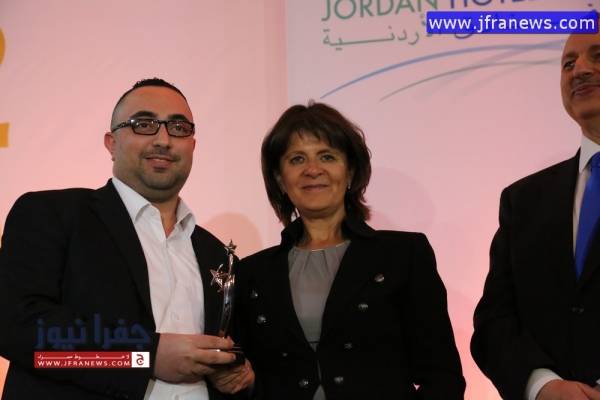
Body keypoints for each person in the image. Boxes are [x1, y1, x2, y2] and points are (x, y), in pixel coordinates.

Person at [0, 78, 253, 399]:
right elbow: (17, 329)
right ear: (111, 143)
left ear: (193, 145)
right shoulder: (52, 214)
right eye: (144, 124)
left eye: (178, 128)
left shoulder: (218, 255)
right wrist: (144, 356)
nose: (163, 139)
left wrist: (241, 375)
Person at [233, 102, 465, 399]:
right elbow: (246, 379)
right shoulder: (251, 273)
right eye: (297, 159)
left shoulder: (404, 255)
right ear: (280, 179)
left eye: (327, 157)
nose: (312, 170)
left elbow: (442, 376)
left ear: (351, 171)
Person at [471, 31, 600, 400]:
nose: (579, 71)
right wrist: (542, 386)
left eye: (597, 56)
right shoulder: (523, 200)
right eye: (568, 64)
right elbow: (495, 320)